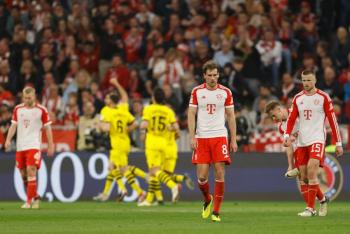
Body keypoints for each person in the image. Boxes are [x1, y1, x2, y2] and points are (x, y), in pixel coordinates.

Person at [283, 70, 343, 217]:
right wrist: (286, 135)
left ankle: (310, 209)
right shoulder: (298, 98)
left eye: (309, 80)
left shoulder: (323, 97)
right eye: (304, 80)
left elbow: (333, 120)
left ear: (315, 80)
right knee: (304, 177)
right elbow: (291, 119)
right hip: (302, 141)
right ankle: (323, 200)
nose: (306, 83)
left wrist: (338, 142)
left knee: (311, 171)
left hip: (317, 139)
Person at [187, 60, 238, 222]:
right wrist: (192, 136)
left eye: (215, 75)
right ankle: (207, 199)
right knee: (202, 177)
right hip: (202, 138)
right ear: (204, 76)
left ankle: (216, 212)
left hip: (219, 137)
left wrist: (233, 139)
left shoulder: (225, 92)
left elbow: (231, 116)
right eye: (209, 75)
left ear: (218, 75)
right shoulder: (196, 91)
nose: (212, 78)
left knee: (220, 173)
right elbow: (191, 114)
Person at [93, 78, 146, 202]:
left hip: (116, 143)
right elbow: (134, 124)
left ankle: (139, 191)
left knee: (122, 169)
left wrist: (99, 127)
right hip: (125, 142)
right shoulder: (123, 109)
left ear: (111, 102)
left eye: (107, 98)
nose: (105, 100)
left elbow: (104, 128)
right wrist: (125, 130)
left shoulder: (106, 111)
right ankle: (107, 193)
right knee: (111, 167)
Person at [5, 87, 54, 209]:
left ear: (34, 96)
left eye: (30, 97)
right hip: (20, 146)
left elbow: (47, 128)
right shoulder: (18, 109)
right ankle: (35, 196)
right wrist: (8, 140)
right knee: (23, 174)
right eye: (25, 98)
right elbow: (13, 126)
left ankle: (29, 201)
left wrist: (50, 144)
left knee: (31, 170)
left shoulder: (41, 110)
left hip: (33, 145)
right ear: (23, 97)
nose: (27, 100)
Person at [138, 87, 181, 206]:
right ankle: (149, 200)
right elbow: (176, 129)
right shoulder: (168, 111)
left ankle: (173, 186)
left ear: (153, 98)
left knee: (154, 171)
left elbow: (143, 125)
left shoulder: (149, 109)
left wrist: (142, 129)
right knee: (155, 173)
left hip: (152, 142)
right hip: (164, 143)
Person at [264, 100, 300, 178]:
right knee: (303, 178)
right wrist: (290, 165)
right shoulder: (281, 127)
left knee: (308, 172)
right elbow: (289, 146)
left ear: (278, 109)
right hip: (300, 147)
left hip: (312, 141)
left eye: (273, 115)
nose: (274, 119)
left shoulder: (296, 112)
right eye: (272, 117)